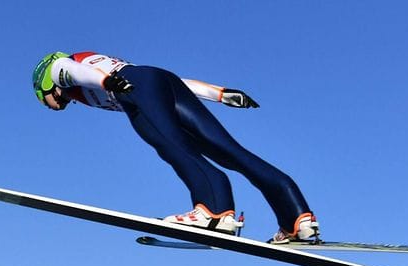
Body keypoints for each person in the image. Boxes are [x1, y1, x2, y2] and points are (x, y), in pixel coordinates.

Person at [32, 51, 318, 243]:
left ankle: (214, 211)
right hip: (160, 80)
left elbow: (71, 70)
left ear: (42, 84)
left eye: (43, 99)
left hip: (136, 88)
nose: (51, 105)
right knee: (228, 151)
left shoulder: (58, 68)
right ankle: (296, 219)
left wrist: (106, 81)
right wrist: (220, 94)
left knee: (171, 145)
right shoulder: (92, 72)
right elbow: (168, 83)